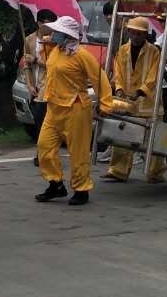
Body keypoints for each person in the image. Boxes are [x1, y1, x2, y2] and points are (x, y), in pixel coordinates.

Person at [34, 15, 111, 206]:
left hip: (76, 107)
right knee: (44, 147)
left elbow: (99, 78)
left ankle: (81, 189)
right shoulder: (56, 51)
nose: (53, 35)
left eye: (57, 32)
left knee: (78, 152)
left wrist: (105, 103)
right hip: (54, 107)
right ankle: (55, 184)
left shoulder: (82, 55)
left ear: (67, 35)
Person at [102, 17, 163, 184]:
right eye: (133, 33)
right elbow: (118, 72)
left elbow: (153, 75)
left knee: (154, 138)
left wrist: (141, 91)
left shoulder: (154, 52)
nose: (135, 36)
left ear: (145, 35)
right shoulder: (122, 50)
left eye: (139, 34)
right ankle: (118, 170)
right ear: (128, 32)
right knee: (122, 133)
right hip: (127, 101)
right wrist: (119, 88)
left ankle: (156, 172)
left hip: (148, 102)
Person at [19, 9, 58, 167]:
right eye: (47, 23)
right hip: (36, 86)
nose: (50, 26)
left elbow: (55, 65)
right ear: (39, 23)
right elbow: (26, 65)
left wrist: (36, 60)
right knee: (38, 121)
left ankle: (46, 153)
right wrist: (29, 84)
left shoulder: (56, 40)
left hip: (51, 86)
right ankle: (42, 151)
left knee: (47, 121)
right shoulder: (29, 40)